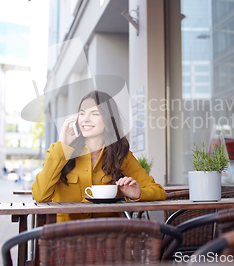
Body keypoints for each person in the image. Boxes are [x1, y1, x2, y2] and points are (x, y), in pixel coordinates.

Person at [32, 90, 166, 222]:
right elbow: (39, 195)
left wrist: (137, 194)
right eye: (82, 113)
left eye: (94, 113)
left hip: (107, 236)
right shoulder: (60, 152)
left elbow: (158, 191)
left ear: (108, 120)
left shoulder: (120, 155)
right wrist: (62, 145)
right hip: (66, 236)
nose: (85, 119)